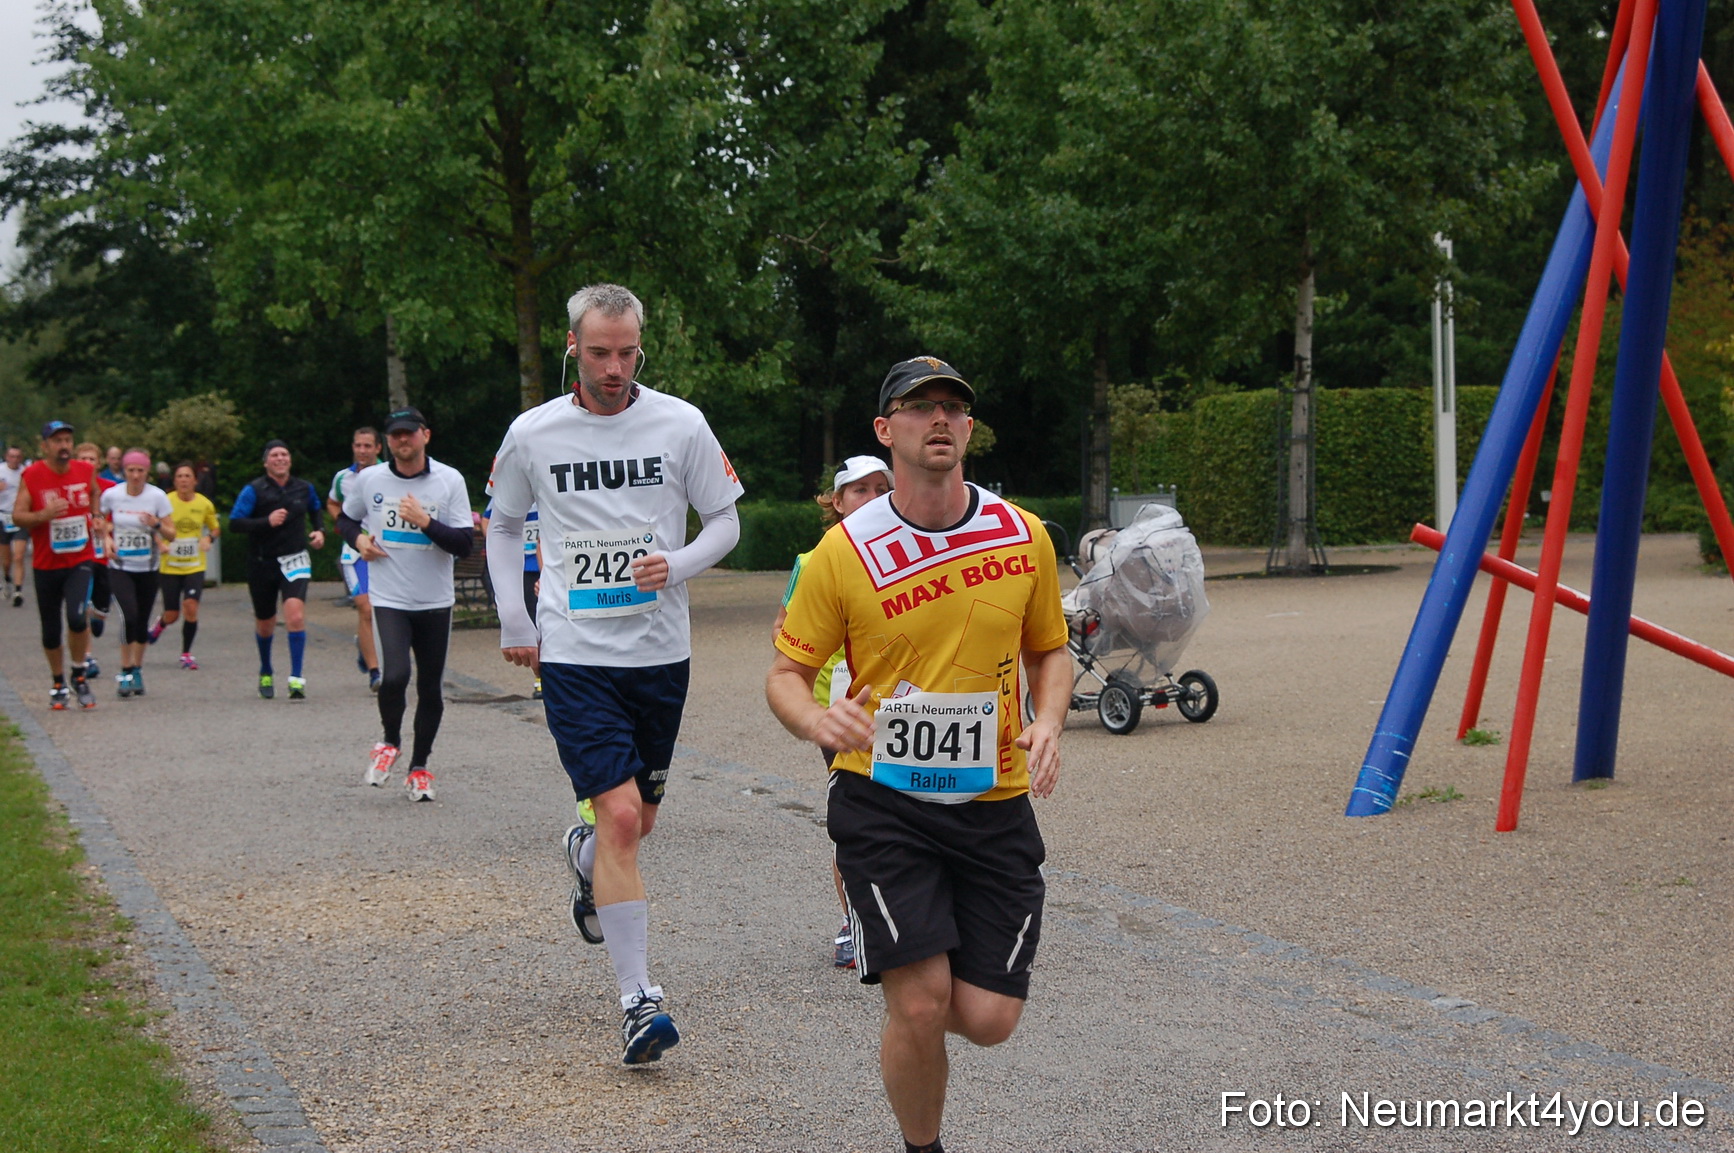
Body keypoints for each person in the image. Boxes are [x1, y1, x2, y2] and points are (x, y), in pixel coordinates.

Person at [766, 356, 1072, 1153]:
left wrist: (1050, 720)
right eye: (918, 406)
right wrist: (814, 723)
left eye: (953, 407)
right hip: (883, 801)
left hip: (994, 802)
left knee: (988, 1018)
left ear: (969, 428)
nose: (939, 418)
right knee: (921, 1000)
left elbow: (1052, 649)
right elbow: (786, 675)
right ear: (885, 428)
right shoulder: (844, 550)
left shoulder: (1022, 533)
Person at [485, 282, 744, 1066]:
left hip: (661, 652)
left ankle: (586, 857)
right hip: (575, 652)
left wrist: (678, 564)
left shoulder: (680, 422)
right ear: (573, 345)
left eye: (627, 351)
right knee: (622, 816)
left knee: (637, 824)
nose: (614, 366)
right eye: (599, 351)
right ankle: (638, 1000)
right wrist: (516, 617)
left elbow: (727, 520)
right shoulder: (533, 433)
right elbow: (500, 525)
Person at [773, 455, 894, 969]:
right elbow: (783, 633)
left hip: (907, 705)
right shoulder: (814, 561)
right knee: (860, 818)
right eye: (858, 490)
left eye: (879, 489)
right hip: (840, 713)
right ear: (837, 503)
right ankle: (856, 921)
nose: (869, 499)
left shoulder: (916, 552)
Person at [338, 407, 473, 801]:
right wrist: (359, 541)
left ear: (425, 436)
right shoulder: (370, 479)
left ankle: (419, 768)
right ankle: (390, 742)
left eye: (409, 434)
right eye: (395, 435)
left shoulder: (449, 480)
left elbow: (464, 544)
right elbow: (345, 521)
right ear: (387, 442)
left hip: (434, 600)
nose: (403, 441)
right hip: (390, 597)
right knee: (394, 676)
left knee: (431, 688)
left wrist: (425, 522)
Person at [11, 421, 100, 709]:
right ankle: (58, 681)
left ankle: (79, 674)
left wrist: (96, 515)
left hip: (80, 559)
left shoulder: (85, 470)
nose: (64, 446)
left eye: (67, 440)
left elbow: (95, 491)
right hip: (47, 563)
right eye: (57, 441)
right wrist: (43, 515)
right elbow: (17, 517)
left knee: (76, 618)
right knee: (51, 630)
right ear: (45, 445)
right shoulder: (33, 475)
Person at [229, 440, 325, 699]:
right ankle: (266, 669)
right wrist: (266, 521)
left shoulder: (304, 488)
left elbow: (317, 511)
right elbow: (235, 523)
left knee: (294, 616)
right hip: (262, 562)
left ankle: (296, 678)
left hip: (295, 560)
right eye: (274, 455)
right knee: (265, 622)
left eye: (284, 454)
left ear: (290, 460)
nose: (280, 459)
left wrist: (319, 531)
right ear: (266, 462)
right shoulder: (254, 490)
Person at [99, 450, 175, 697]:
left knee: (141, 619)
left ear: (147, 472)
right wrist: (106, 540)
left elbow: (171, 534)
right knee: (129, 615)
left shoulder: (157, 496)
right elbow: (98, 520)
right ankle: (125, 669)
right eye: (130, 470)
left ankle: (137, 669)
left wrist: (155, 524)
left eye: (140, 471)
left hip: (148, 567)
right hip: (121, 567)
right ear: (124, 471)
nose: (135, 475)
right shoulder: (112, 495)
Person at [328, 427, 383, 691]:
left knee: (385, 612)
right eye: (358, 445)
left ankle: (366, 647)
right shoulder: (343, 478)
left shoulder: (390, 474)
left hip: (386, 552)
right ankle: (375, 672)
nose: (362, 451)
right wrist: (346, 527)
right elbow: (332, 503)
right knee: (366, 608)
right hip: (354, 553)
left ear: (378, 449)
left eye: (367, 446)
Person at [151, 462, 220, 669]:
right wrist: (160, 543)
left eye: (187, 476)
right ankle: (160, 624)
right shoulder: (166, 502)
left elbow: (215, 529)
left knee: (191, 607)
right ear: (174, 481)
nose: (183, 480)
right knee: (172, 614)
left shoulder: (204, 504)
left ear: (194, 481)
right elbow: (153, 526)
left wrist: (209, 539)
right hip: (170, 565)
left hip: (194, 565)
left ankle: (186, 653)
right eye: (179, 476)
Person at [481, 499, 542, 699]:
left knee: (544, 622)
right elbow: (488, 521)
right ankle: (540, 679)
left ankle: (545, 679)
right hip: (520, 568)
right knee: (531, 620)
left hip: (542, 565)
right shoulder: (513, 483)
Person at [74, 442, 114, 675]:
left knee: (99, 607)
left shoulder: (109, 489)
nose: (87, 463)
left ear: (99, 463)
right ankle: (87, 657)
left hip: (103, 556)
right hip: (80, 555)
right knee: (81, 607)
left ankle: (99, 616)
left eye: (91, 459)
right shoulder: (72, 487)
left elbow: (118, 517)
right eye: (82, 459)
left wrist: (105, 530)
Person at [0, 445, 28, 606]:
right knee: (6, 560)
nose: (15, 460)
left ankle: (18, 591)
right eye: (12, 456)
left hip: (20, 517)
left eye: (18, 456)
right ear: (6, 456)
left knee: (19, 555)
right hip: (3, 517)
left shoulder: (25, 472)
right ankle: (7, 577)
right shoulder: (1, 470)